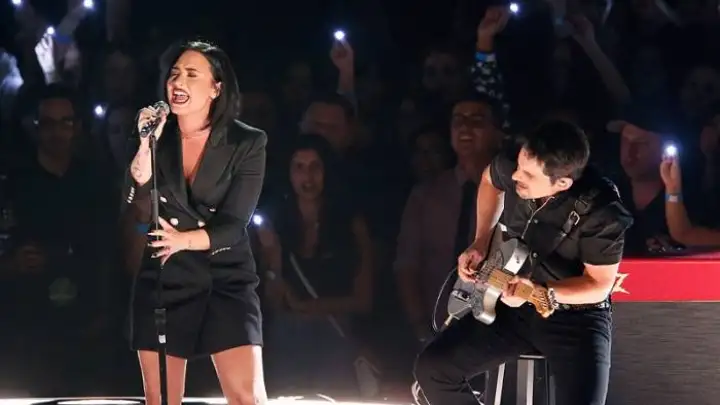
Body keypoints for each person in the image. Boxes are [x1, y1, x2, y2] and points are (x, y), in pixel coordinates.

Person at [413, 120, 633, 405]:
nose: (516, 175)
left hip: (574, 318)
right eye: (518, 166)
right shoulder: (517, 164)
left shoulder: (603, 212)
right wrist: (481, 241)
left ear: (562, 183)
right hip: (512, 308)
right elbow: (490, 180)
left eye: (528, 174)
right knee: (433, 369)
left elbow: (599, 285)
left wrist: (539, 291)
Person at [121, 40, 267, 405]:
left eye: (191, 74)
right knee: (162, 400)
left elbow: (234, 225)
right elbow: (137, 203)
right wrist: (146, 145)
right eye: (174, 74)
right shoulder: (157, 136)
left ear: (216, 88)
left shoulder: (246, 142)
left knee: (246, 397)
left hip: (225, 276)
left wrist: (183, 240)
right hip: (166, 276)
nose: (178, 82)